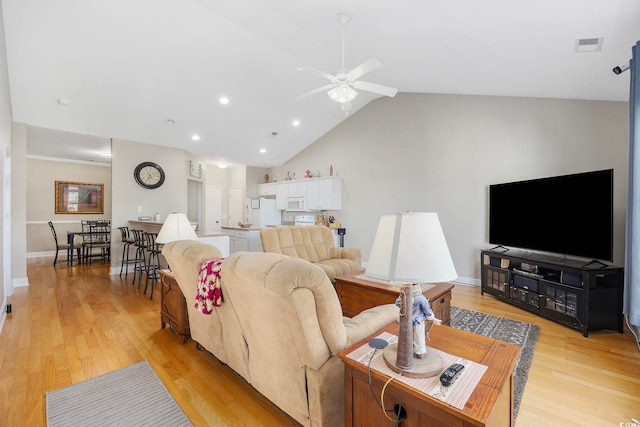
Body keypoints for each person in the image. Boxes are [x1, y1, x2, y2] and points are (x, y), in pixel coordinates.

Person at [395, 284, 442, 359]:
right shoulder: (421, 298)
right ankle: (420, 352)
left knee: (404, 336)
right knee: (419, 336)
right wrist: (433, 319)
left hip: (405, 320)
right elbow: (427, 311)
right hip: (417, 320)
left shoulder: (402, 296)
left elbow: (397, 305)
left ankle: (404, 349)